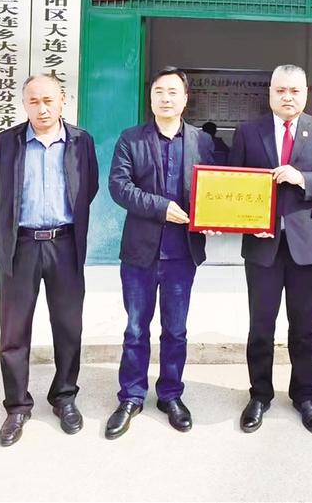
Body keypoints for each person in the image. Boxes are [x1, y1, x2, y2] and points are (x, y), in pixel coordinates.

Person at [0, 74, 99, 447]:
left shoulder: (81, 142)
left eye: (49, 100)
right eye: (34, 101)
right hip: (21, 246)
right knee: (14, 332)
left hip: (65, 245)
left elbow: (88, 187)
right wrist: (15, 222)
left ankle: (64, 397)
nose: (42, 108)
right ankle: (17, 406)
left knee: (68, 327)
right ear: (24, 104)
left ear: (63, 100)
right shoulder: (7, 142)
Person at [229, 64, 312, 435]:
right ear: (270, 93)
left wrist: (302, 178)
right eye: (280, 90)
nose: (287, 97)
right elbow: (233, 184)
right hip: (261, 246)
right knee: (261, 326)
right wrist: (236, 220)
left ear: (305, 93)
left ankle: (304, 395)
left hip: (306, 247)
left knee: (304, 327)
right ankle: (259, 395)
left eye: (295, 90)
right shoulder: (249, 132)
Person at [105, 66, 214, 439]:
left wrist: (216, 217)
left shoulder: (203, 142)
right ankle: (131, 396)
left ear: (185, 99)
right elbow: (119, 186)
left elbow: (216, 188)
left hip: (182, 253)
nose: (165, 98)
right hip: (140, 252)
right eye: (158, 92)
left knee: (176, 330)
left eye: (172, 92)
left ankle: (170, 394)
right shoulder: (131, 139)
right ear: (150, 97)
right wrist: (160, 207)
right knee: (136, 329)